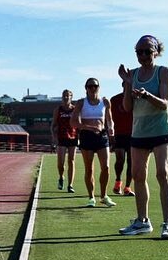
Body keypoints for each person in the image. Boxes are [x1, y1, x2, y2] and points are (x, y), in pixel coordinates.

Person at [117, 35, 168, 239]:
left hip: (161, 129)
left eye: (147, 51)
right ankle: (142, 221)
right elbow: (127, 107)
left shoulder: (163, 71)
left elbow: (165, 103)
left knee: (163, 173)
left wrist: (146, 95)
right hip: (139, 131)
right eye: (139, 52)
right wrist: (126, 83)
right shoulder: (132, 74)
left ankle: (167, 224)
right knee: (138, 175)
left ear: (156, 51)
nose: (143, 55)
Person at [73, 77, 116, 208]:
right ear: (86, 88)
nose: (93, 88)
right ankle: (91, 197)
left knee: (106, 167)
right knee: (89, 168)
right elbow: (73, 122)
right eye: (90, 86)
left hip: (102, 136)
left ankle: (104, 196)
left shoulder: (105, 102)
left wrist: (111, 128)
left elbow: (109, 119)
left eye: (95, 86)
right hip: (87, 136)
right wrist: (89, 127)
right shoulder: (81, 103)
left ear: (99, 87)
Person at [50, 89, 79, 192]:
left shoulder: (75, 109)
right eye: (64, 96)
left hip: (73, 137)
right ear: (62, 97)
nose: (66, 98)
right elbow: (53, 125)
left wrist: (79, 137)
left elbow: (78, 124)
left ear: (71, 97)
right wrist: (54, 137)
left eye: (68, 96)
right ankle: (61, 177)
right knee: (60, 163)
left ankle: (70, 185)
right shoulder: (58, 110)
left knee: (71, 161)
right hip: (61, 138)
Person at [109, 81, 134, 196]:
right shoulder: (114, 100)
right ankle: (118, 181)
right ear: (123, 85)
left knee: (131, 162)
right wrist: (110, 134)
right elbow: (109, 118)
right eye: (126, 85)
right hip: (119, 134)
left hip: (134, 134)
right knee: (120, 160)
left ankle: (127, 187)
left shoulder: (137, 99)